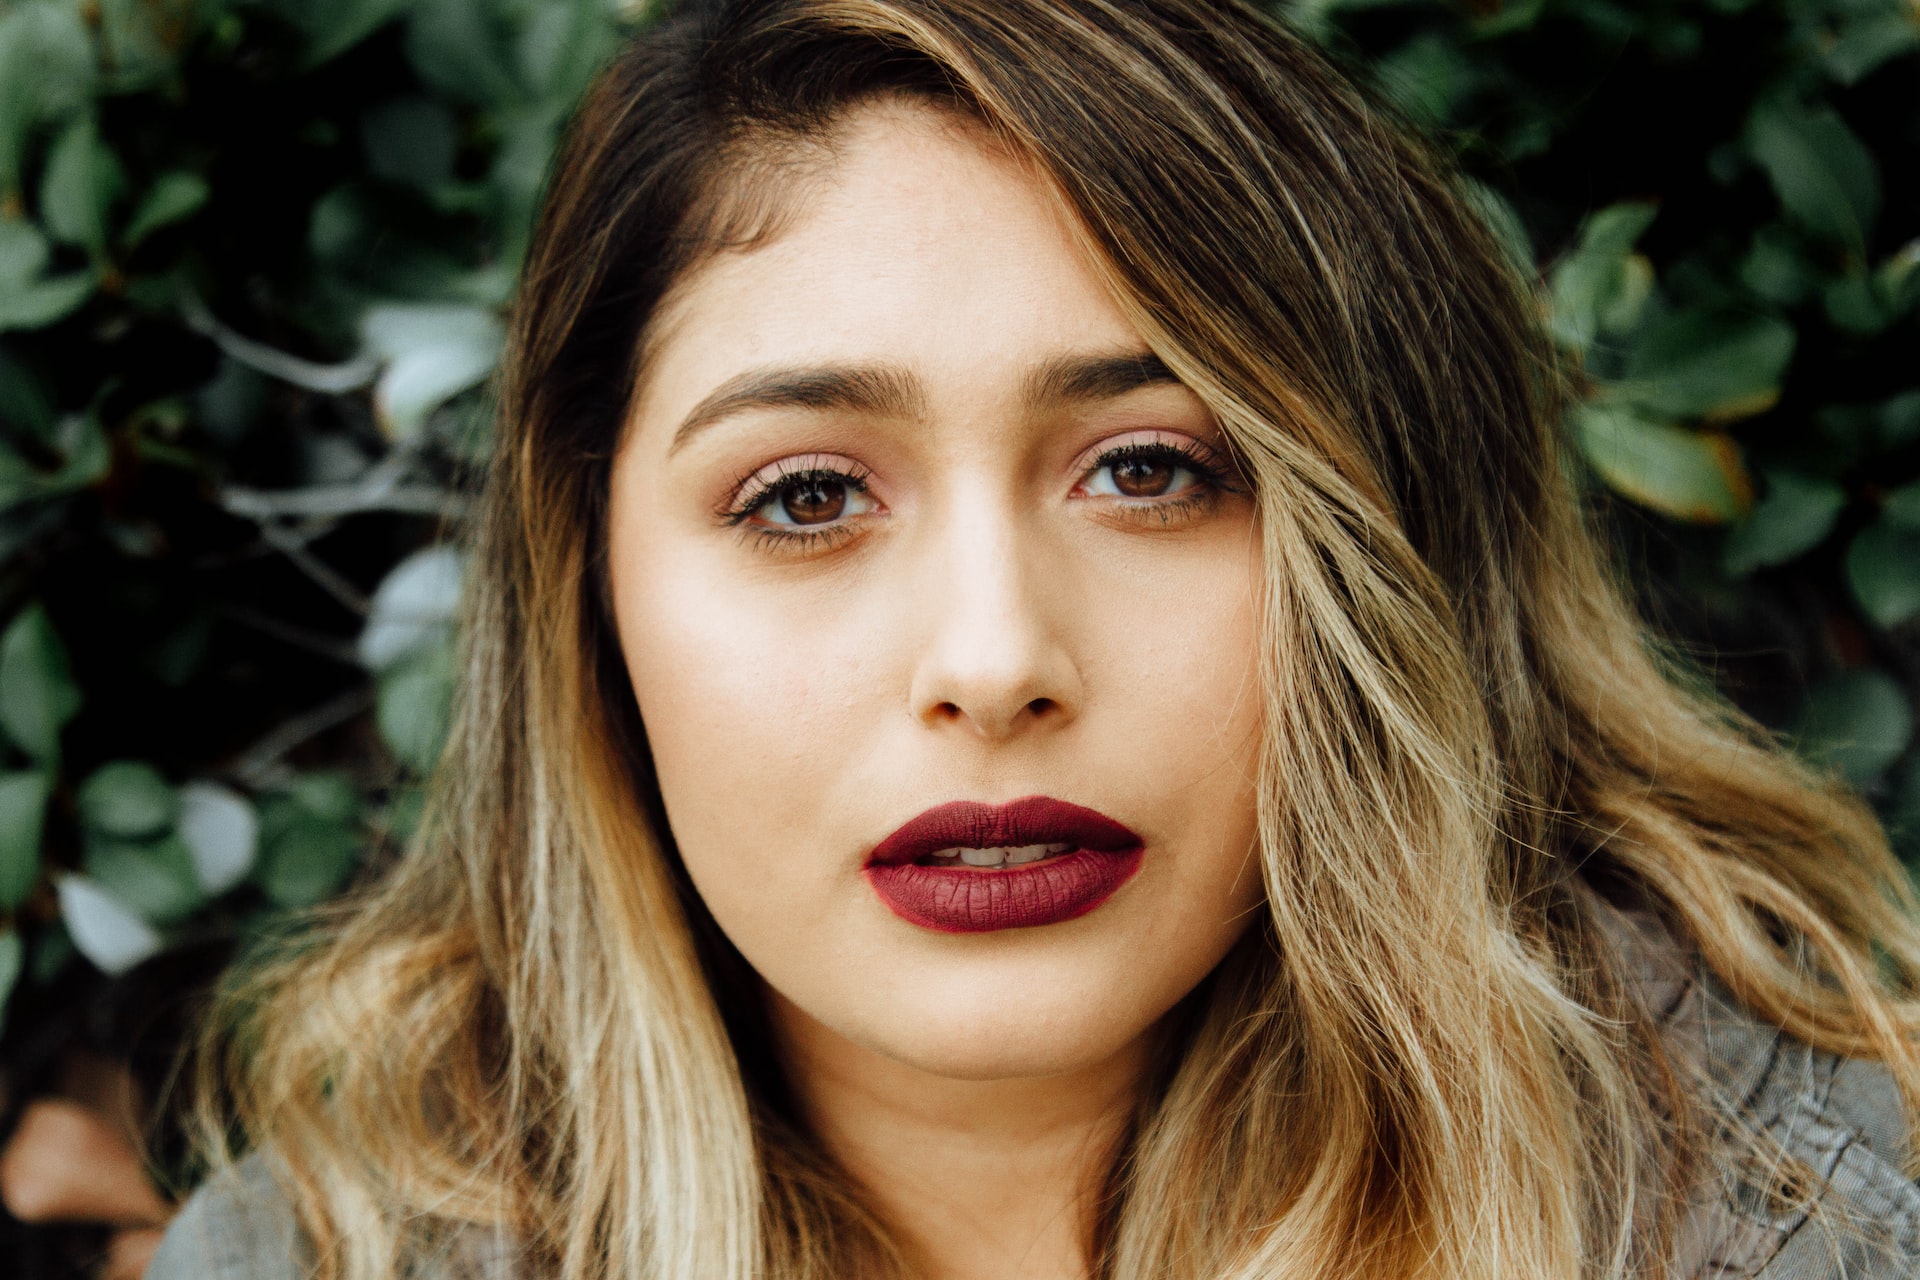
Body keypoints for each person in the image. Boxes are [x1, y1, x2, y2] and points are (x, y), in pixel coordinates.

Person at [146, 0, 1920, 1277]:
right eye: (806, 497)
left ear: (1391, 555)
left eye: (1152, 469)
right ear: (590, 594)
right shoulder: (318, 1252)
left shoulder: (1811, 1219)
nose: (994, 664)